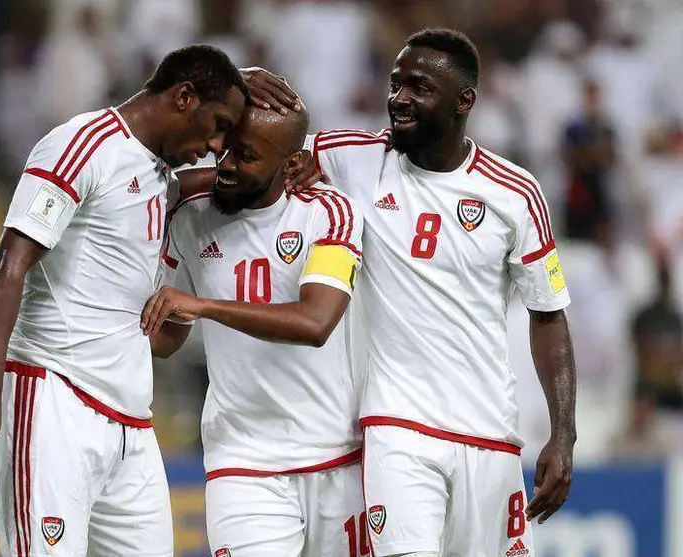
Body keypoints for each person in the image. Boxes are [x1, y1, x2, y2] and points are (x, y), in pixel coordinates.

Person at [247, 28, 577, 556]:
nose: (398, 98)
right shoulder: (350, 156)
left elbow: (548, 315)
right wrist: (241, 82)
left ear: (463, 101)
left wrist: (564, 435)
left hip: (489, 431)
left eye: (419, 87)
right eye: (395, 83)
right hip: (396, 428)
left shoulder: (515, 192)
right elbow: (253, 145)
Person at [0, 45, 246, 557]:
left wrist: (288, 142)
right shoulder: (84, 145)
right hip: (52, 398)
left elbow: (241, 178)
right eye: (216, 125)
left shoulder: (160, 177)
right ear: (184, 97)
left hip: (130, 419)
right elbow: (8, 263)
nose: (217, 145)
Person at [141, 103, 367, 557]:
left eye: (245, 157)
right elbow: (168, 340)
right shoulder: (190, 217)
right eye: (223, 152)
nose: (224, 167)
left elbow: (314, 322)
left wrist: (204, 306)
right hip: (242, 461)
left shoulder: (329, 213)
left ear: (289, 165)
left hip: (337, 456)